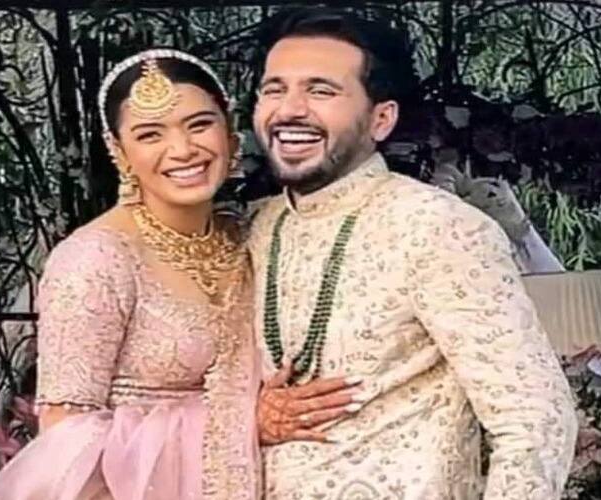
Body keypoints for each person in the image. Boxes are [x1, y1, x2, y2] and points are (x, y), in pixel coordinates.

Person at [247, 8, 579, 499]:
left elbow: (535, 420)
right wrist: (246, 417)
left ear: (381, 119)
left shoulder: (438, 228)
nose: (289, 109)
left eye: (321, 90)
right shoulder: (253, 229)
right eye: (274, 89)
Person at [0, 49, 264, 500]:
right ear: (119, 151)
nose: (183, 150)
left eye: (199, 124)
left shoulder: (252, 237)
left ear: (231, 133)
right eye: (150, 134)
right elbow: (66, 446)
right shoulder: (96, 259)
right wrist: (246, 422)